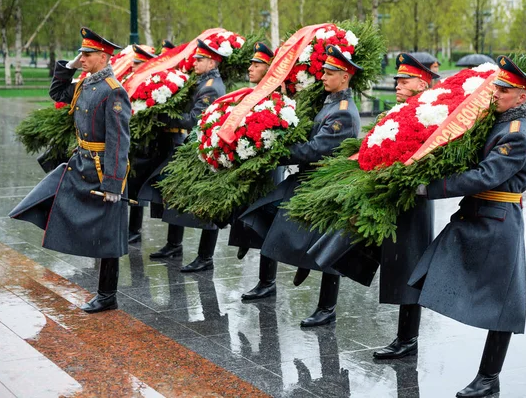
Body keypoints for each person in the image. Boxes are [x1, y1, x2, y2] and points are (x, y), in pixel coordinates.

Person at [409, 55, 526, 397]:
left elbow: (485, 175)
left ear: (522, 97)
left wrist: (432, 187)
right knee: (429, 270)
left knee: (502, 305)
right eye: (497, 86)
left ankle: (488, 378)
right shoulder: (499, 122)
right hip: (479, 216)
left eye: (504, 89)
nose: (496, 93)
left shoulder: (515, 134)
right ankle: (406, 336)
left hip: (498, 222)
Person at [9, 27, 131, 314]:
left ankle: (107, 295)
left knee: (108, 235)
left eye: (87, 54)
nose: (83, 57)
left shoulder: (113, 92)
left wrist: (113, 185)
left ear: (103, 56)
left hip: (103, 170)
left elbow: (118, 142)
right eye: (81, 53)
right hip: (80, 163)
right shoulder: (86, 84)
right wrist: (68, 67)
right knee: (49, 197)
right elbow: (57, 91)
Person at [240, 45, 362, 326]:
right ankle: (289, 266)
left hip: (326, 182)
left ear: (345, 76)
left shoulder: (343, 111)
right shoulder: (329, 101)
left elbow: (316, 149)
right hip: (309, 178)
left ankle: (327, 308)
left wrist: (278, 151)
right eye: (324, 71)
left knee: (330, 249)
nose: (323, 77)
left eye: (330, 73)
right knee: (267, 213)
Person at [372, 53, 439, 360]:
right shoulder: (399, 111)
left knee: (410, 268)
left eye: (404, 80)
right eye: (397, 80)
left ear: (422, 82)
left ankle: (407, 340)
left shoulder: (433, 113)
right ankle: (403, 337)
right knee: (399, 265)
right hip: (394, 198)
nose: (397, 84)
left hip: (415, 199)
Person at [139, 39, 226, 273]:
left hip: (204, 150)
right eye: (195, 58)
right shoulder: (201, 81)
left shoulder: (210, 86)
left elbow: (194, 120)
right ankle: (174, 244)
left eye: (200, 59)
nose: (195, 62)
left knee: (208, 204)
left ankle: (205, 257)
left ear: (212, 61)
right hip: (194, 147)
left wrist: (163, 116)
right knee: (174, 194)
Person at [224, 42, 280, 300]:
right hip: (249, 167)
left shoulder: (276, 97)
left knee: (266, 224)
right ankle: (246, 240)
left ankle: (267, 281)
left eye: (257, 64)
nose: (250, 67)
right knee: (248, 214)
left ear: (270, 70)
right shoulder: (252, 94)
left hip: (266, 171)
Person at [126, 44, 158, 244]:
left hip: (149, 143)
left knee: (138, 187)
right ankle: (132, 228)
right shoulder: (134, 81)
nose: (132, 67)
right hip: (135, 140)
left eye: (137, 63)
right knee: (132, 184)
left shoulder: (152, 84)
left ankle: (135, 229)